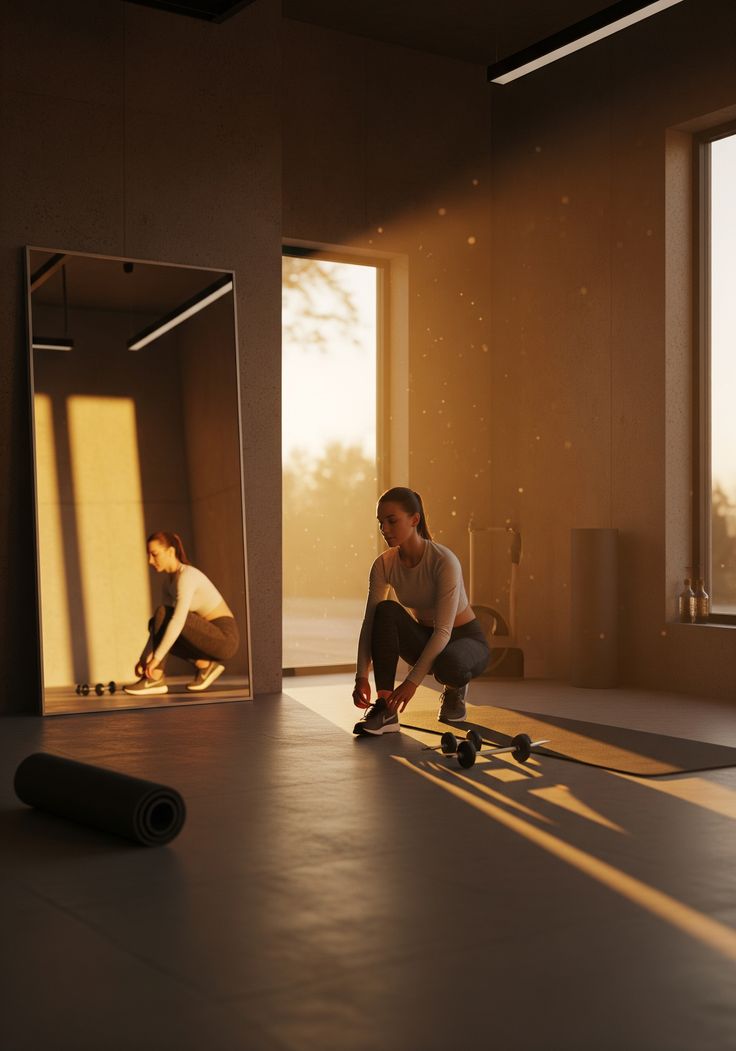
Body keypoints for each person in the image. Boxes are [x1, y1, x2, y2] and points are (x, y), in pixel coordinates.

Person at [352, 487, 491, 736]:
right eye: (381, 522)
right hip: (426, 637)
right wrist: (361, 675)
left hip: (464, 639)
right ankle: (386, 709)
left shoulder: (443, 561)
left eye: (392, 521)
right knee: (384, 611)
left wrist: (410, 684)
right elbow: (370, 622)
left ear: (415, 519)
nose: (384, 529)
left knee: (449, 665)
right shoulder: (384, 564)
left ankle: (455, 688)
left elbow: (444, 630)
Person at [124, 531, 239, 696]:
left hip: (224, 638)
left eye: (154, 554)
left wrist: (155, 660)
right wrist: (145, 658)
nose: (150, 561)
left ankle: (155, 678)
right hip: (205, 636)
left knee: (165, 615)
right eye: (148, 555)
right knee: (157, 620)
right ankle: (205, 666)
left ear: (170, 552)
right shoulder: (168, 583)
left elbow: (177, 621)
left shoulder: (187, 577)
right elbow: (160, 625)